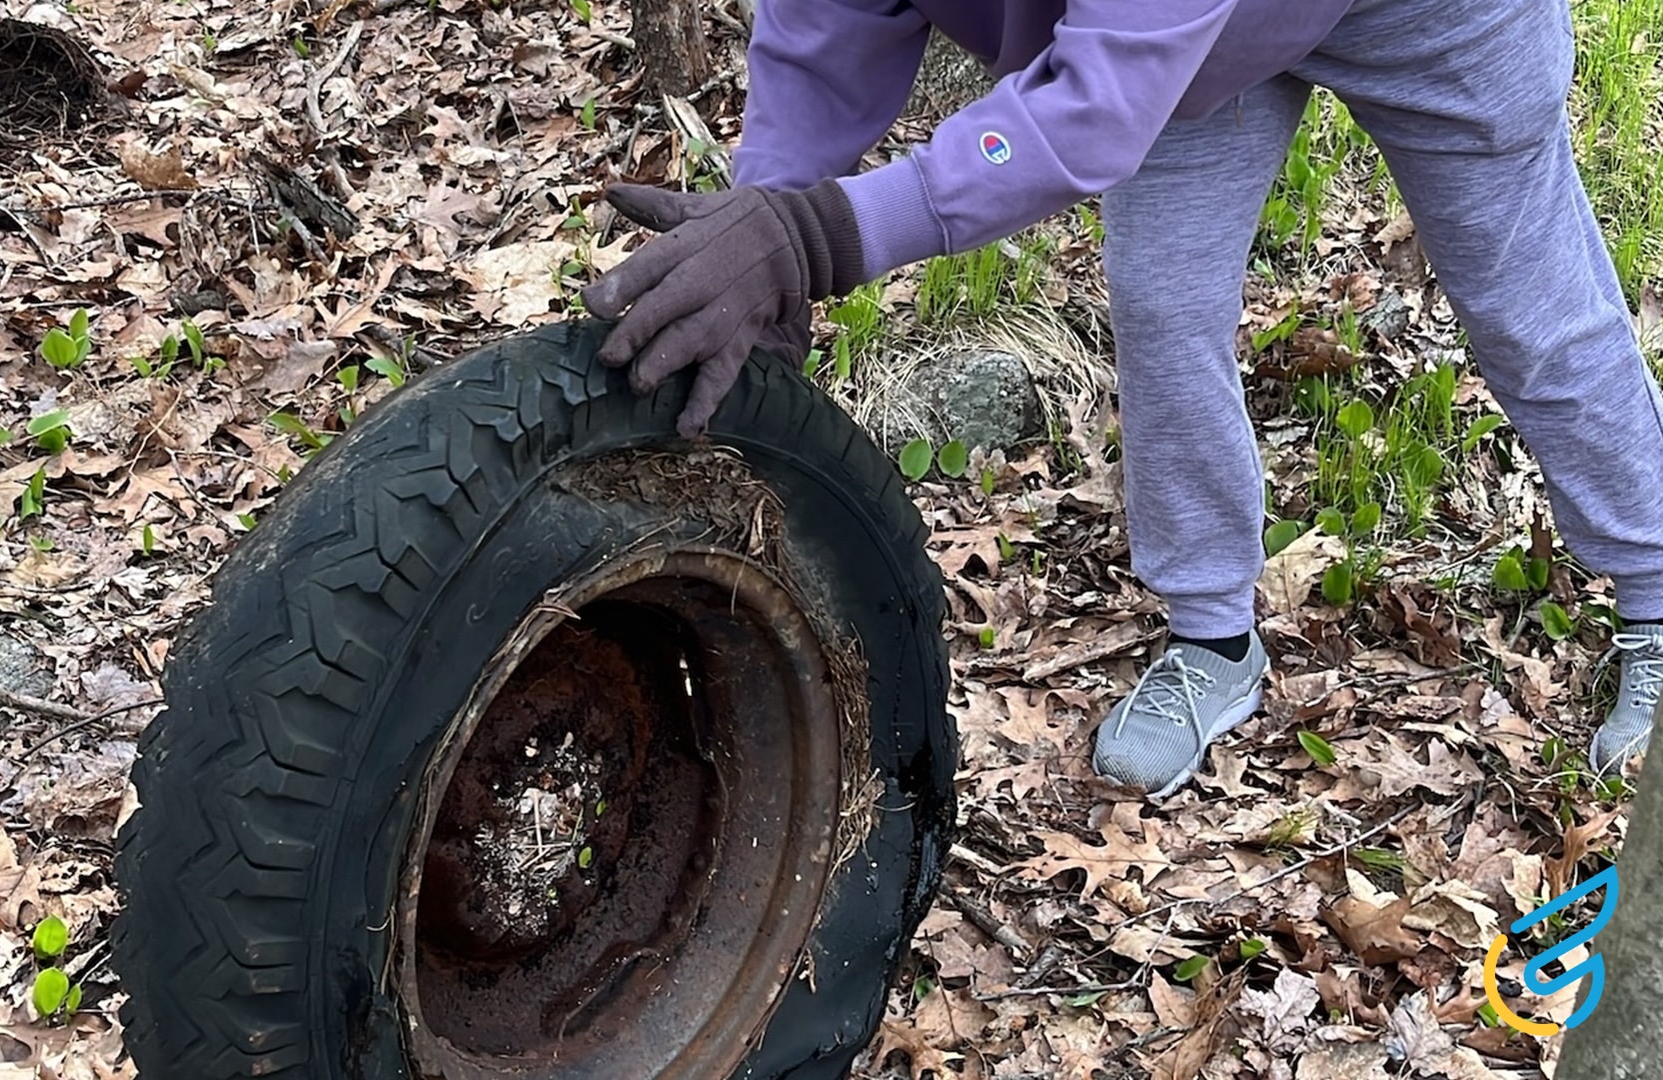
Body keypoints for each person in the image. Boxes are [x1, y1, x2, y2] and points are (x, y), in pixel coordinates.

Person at [579, 0, 1663, 800]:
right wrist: (763, 214)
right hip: (1181, 51)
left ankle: (1660, 589)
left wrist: (815, 239)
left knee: (1529, 309)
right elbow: (827, 29)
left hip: (1425, 16)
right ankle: (1214, 643)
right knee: (1163, 307)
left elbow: (1086, 115)